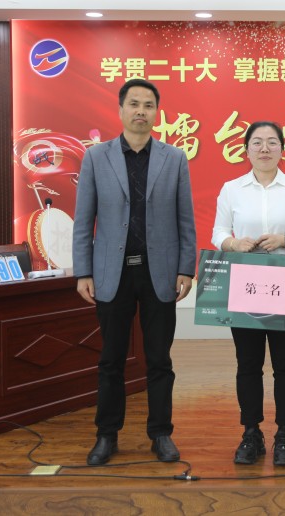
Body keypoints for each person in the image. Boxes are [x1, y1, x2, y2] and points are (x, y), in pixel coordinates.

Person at [72, 78, 197, 466]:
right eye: (134, 104)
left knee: (159, 359)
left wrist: (186, 268)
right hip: (112, 273)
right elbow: (84, 220)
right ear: (121, 109)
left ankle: (161, 433)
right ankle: (106, 435)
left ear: (156, 112)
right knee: (111, 359)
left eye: (148, 105)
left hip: (160, 272)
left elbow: (185, 219)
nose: (141, 111)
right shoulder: (97, 157)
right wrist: (83, 271)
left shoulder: (174, 158)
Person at [211, 121, 285, 466]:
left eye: (272, 142)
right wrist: (233, 243)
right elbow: (218, 232)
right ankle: (251, 432)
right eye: (257, 142)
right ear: (246, 150)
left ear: (283, 149)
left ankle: (284, 433)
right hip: (244, 284)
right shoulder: (232, 189)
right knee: (248, 362)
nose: (264, 149)